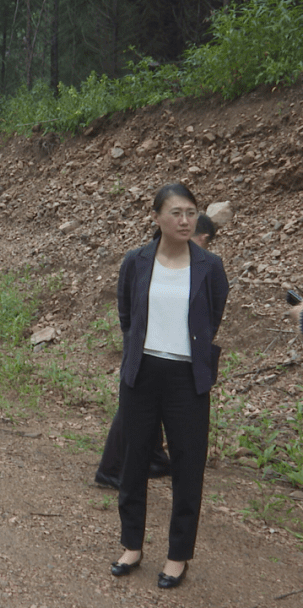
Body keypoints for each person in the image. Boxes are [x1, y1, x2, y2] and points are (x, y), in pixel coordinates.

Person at [109, 183, 228, 589]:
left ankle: (178, 556)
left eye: (191, 212)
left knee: (187, 465)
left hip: (187, 378)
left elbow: (212, 316)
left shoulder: (209, 266)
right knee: (134, 460)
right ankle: (131, 546)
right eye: (176, 213)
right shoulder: (136, 261)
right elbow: (127, 314)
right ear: (157, 217)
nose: (184, 220)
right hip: (142, 373)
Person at [94, 213, 217, 490]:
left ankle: (154, 458)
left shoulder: (163, 258)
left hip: (163, 350)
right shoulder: (146, 261)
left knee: (148, 409)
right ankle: (112, 469)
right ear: (203, 237)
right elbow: (126, 307)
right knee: (132, 411)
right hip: (149, 349)